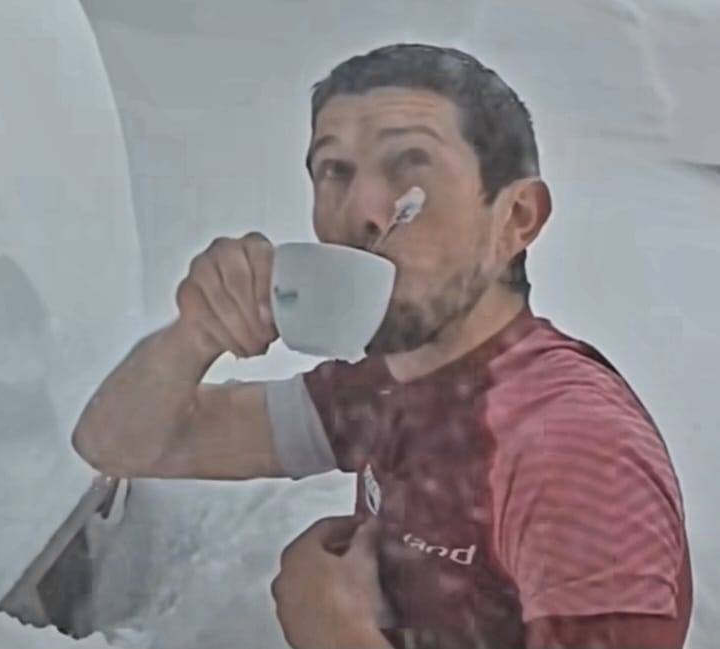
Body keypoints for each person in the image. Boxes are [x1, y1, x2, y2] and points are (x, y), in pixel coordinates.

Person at [72, 43, 692, 648]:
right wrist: (197, 334)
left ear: (516, 218)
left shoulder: (571, 449)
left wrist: (332, 633)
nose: (360, 212)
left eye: (410, 169)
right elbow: (123, 442)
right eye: (334, 171)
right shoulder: (383, 387)